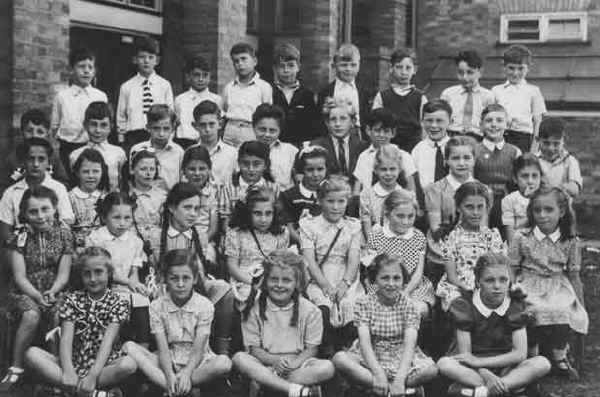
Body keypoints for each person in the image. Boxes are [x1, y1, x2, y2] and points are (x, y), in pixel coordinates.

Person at [24, 247, 137, 397]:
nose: (93, 279)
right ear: (81, 275)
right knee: (31, 354)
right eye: (87, 273)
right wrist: (68, 370)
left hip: (103, 364)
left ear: (109, 273)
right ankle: (94, 394)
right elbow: (66, 339)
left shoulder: (118, 303)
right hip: (73, 361)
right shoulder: (72, 299)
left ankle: (64, 390)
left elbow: (107, 343)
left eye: (98, 272)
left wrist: (92, 376)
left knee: (129, 364)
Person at [437, 252, 551, 397]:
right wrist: (483, 371)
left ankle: (485, 391)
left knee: (542, 363)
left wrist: (480, 362)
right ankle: (508, 387)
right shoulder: (464, 305)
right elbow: (466, 356)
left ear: (510, 281)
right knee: (444, 364)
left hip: (506, 364)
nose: (497, 286)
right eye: (489, 280)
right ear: (478, 282)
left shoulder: (515, 305)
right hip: (473, 369)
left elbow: (519, 354)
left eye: (503, 280)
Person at [124, 249, 232, 396]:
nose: (180, 284)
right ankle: (175, 386)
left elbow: (199, 348)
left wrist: (187, 373)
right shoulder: (157, 306)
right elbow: (162, 348)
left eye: (186, 278)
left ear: (194, 279)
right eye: (174, 278)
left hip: (198, 362)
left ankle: (177, 387)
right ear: (165, 279)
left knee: (224, 363)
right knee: (129, 347)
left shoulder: (205, 305)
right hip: (169, 359)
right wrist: (169, 376)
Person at [508, 187, 588, 377]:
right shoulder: (522, 236)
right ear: (531, 212)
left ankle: (559, 354)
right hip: (528, 282)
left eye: (548, 210)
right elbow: (511, 266)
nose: (542, 215)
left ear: (561, 212)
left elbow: (574, 274)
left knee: (564, 309)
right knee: (531, 309)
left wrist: (580, 302)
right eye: (537, 210)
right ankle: (532, 353)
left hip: (557, 284)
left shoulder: (570, 240)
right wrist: (512, 287)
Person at [333, 253, 438, 397]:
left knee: (432, 370)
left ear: (403, 280)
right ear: (375, 279)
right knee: (339, 359)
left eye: (396, 278)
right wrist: (378, 374)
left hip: (400, 355)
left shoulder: (410, 305)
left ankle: (391, 386)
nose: (391, 284)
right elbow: (365, 342)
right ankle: (387, 387)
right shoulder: (364, 302)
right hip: (371, 353)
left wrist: (400, 379)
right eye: (384, 278)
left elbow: (409, 345)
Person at [233, 250, 335, 397]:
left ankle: (268, 385)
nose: (279, 285)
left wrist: (293, 364)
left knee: (327, 367)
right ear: (266, 280)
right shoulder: (253, 309)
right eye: (274, 279)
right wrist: (275, 361)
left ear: (297, 283)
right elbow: (254, 349)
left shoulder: (311, 310)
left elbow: (312, 349)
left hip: (298, 364)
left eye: (286, 280)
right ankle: (296, 390)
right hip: (266, 363)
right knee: (239, 358)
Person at [0, 186, 73, 390]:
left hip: (55, 289)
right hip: (25, 290)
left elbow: (64, 273)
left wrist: (53, 291)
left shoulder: (65, 235)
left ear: (55, 208)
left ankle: (56, 368)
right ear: (24, 213)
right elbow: (19, 276)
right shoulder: (19, 237)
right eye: (33, 211)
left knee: (61, 312)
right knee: (31, 314)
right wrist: (37, 295)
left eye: (45, 209)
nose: (40, 216)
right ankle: (16, 367)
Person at [157, 182, 234, 355]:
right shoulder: (157, 236)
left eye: (197, 208)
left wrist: (202, 281)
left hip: (195, 284)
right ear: (171, 207)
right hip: (167, 286)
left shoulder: (198, 235)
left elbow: (200, 269)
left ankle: (222, 349)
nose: (193, 214)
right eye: (187, 207)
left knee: (224, 289)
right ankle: (171, 349)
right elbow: (156, 271)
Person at [300, 175, 363, 353]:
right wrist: (325, 285)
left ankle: (348, 350)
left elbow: (353, 258)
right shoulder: (309, 225)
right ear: (320, 201)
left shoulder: (353, 226)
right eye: (330, 201)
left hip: (345, 275)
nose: (336, 207)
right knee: (323, 309)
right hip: (319, 276)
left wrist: (345, 283)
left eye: (341, 201)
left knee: (350, 306)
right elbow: (309, 260)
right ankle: (327, 351)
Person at [86, 192, 151, 345]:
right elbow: (102, 269)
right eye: (116, 218)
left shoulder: (135, 241)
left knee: (142, 300)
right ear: (104, 217)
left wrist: (135, 284)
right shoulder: (96, 238)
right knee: (115, 305)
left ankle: (143, 349)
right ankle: (113, 348)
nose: (122, 223)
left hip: (127, 286)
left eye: (127, 218)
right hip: (103, 287)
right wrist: (128, 282)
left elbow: (135, 268)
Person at [436, 181, 504, 311]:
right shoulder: (451, 237)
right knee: (462, 307)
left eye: (480, 207)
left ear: (487, 208)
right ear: (458, 207)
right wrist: (468, 290)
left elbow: (497, 269)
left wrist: (483, 289)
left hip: (488, 284)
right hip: (459, 287)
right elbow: (452, 276)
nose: (475, 212)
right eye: (469, 207)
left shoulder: (492, 236)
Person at [367, 191, 435, 317]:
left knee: (417, 309)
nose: (405, 221)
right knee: (382, 310)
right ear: (388, 214)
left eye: (410, 216)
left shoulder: (418, 237)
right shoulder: (376, 236)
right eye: (400, 216)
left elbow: (418, 273)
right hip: (384, 285)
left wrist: (405, 292)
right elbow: (373, 272)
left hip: (412, 287)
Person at [423, 136, 480, 284]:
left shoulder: (482, 189)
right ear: (446, 160)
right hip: (443, 245)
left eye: (467, 158)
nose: (461, 163)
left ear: (474, 160)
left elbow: (482, 226)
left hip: (473, 245)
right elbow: (436, 229)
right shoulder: (435, 190)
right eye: (455, 158)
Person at [225, 186, 289, 307]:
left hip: (272, 278)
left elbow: (281, 264)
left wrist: (269, 282)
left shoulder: (281, 232)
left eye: (268, 213)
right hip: (244, 279)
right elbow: (232, 266)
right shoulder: (236, 233)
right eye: (257, 213)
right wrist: (254, 283)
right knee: (255, 299)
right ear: (248, 213)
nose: (263, 219)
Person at [0, 138, 74, 242]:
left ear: (49, 162)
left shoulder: (58, 188)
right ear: (23, 162)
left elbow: (66, 223)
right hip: (20, 246)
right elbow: (5, 232)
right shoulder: (11, 193)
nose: (36, 164)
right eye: (31, 159)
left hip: (54, 244)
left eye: (41, 159)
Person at [50, 48, 108, 170]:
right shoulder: (62, 96)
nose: (86, 71)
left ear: (95, 71)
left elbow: (104, 124)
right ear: (71, 70)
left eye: (90, 67)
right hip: (67, 148)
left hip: (93, 147)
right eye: (81, 66)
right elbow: (55, 126)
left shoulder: (100, 96)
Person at [117, 36, 174, 153]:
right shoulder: (127, 87)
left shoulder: (164, 85)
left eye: (150, 57)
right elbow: (121, 117)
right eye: (142, 57)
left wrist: (169, 137)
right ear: (135, 60)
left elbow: (170, 113)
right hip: (134, 136)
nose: (146, 61)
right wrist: (122, 140)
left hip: (158, 134)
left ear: (157, 61)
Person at [474, 104, 521, 232]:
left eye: (499, 121)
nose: (494, 125)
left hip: (506, 203)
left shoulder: (514, 151)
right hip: (480, 202)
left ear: (507, 124)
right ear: (481, 125)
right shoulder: (474, 151)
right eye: (489, 121)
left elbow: (518, 182)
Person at [492, 45, 546, 153]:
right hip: (500, 137)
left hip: (524, 139)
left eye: (521, 68)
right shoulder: (496, 90)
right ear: (504, 67)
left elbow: (537, 122)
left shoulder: (533, 91)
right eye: (511, 68)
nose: (515, 73)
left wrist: (534, 149)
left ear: (528, 68)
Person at [372, 48, 428, 152]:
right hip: (388, 146)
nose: (403, 72)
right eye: (399, 67)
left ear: (415, 70)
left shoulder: (420, 97)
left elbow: (425, 126)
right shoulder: (382, 96)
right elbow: (376, 123)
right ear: (391, 68)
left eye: (408, 68)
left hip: (414, 147)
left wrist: (423, 149)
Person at [1, 109, 69, 193]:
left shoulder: (53, 157)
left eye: (40, 132)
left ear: (47, 134)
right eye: (29, 131)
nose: (34, 135)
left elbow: (64, 183)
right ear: (22, 132)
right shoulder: (12, 158)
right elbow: (3, 186)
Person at [353, 108, 417, 194]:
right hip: (369, 203)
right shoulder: (364, 156)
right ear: (368, 130)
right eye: (377, 131)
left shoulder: (403, 156)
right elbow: (357, 188)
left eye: (386, 131)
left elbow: (411, 189)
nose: (382, 135)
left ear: (393, 133)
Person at [218, 141, 278, 231]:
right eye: (245, 164)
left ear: (265, 165)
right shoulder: (229, 188)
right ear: (239, 163)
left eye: (256, 164)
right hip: (236, 235)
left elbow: (277, 219)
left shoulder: (273, 187)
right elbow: (225, 221)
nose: (251, 169)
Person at [222, 42, 272, 147]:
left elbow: (267, 113)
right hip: (230, 131)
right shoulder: (229, 87)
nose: (240, 64)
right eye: (236, 61)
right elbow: (225, 109)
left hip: (251, 131)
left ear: (254, 61)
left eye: (244, 59)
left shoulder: (264, 87)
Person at [360, 144, 415, 239]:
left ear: (399, 170)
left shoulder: (406, 195)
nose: (388, 173)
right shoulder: (367, 195)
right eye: (383, 169)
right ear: (376, 170)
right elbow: (366, 224)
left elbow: (408, 225)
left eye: (392, 169)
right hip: (375, 241)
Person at [69, 101, 126, 191]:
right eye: (93, 124)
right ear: (85, 125)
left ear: (111, 126)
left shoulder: (118, 153)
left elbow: (122, 182)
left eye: (103, 125)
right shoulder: (75, 155)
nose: (98, 130)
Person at [271, 43, 320, 146]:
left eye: (291, 65)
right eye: (281, 66)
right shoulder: (269, 92)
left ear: (298, 67)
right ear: (275, 69)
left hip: (301, 145)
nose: (286, 70)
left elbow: (314, 126)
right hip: (276, 146)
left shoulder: (308, 95)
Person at [279, 145, 329, 246]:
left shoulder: (332, 193)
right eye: (310, 170)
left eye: (320, 169)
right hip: (300, 244)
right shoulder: (289, 195)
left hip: (327, 244)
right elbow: (289, 228)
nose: (315, 174)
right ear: (302, 170)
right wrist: (307, 245)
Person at [317, 43, 370, 138]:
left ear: (359, 65)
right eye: (344, 65)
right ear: (335, 65)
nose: (348, 69)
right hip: (333, 135)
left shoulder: (364, 91)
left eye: (353, 65)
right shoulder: (325, 92)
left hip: (358, 137)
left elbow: (367, 119)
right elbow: (318, 120)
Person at [441, 50, 495, 141]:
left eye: (470, 72)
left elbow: (490, 123)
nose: (465, 77)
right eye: (460, 73)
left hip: (477, 138)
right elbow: (441, 119)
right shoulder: (448, 94)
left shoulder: (488, 96)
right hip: (452, 137)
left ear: (480, 72)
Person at [311, 97, 368, 179]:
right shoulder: (317, 146)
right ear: (327, 123)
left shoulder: (363, 147)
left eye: (343, 119)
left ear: (353, 122)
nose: (337, 124)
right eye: (333, 119)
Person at [130, 104, 184, 190]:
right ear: (148, 127)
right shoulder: (137, 149)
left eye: (166, 129)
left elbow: (181, 181)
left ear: (173, 128)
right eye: (156, 128)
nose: (161, 134)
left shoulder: (178, 152)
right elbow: (131, 179)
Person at [174, 55, 223, 149]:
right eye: (197, 75)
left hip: (208, 143)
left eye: (205, 75)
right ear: (188, 76)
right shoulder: (180, 99)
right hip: (185, 143)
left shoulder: (217, 99)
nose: (201, 79)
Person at [121, 149, 166, 249]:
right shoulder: (125, 195)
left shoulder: (162, 196)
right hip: (131, 243)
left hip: (156, 244)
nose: (148, 173)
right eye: (143, 169)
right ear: (132, 170)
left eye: (152, 169)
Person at [181, 146, 220, 263]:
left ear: (209, 169)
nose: (197, 173)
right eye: (192, 169)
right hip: (182, 236)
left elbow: (213, 226)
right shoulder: (179, 191)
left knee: (206, 259)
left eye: (202, 169)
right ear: (184, 170)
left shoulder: (213, 193)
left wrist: (203, 241)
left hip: (205, 239)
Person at [189, 100, 238, 185]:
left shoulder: (232, 153)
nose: (207, 129)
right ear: (195, 126)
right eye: (202, 125)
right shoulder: (190, 152)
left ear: (220, 124)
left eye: (211, 124)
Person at [68, 149, 109, 248]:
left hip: (102, 246)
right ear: (77, 173)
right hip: (76, 246)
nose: (91, 176)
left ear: (102, 172)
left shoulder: (106, 197)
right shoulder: (70, 197)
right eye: (86, 172)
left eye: (95, 171)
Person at [253, 103, 298, 190]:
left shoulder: (291, 151)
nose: (267, 134)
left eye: (272, 131)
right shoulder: (245, 150)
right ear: (254, 127)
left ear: (280, 131)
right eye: (262, 129)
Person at [535, 117, 582, 197]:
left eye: (556, 144)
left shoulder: (570, 161)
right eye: (546, 143)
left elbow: (575, 189)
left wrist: (553, 187)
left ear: (564, 141)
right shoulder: (533, 160)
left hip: (561, 207)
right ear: (537, 140)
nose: (551, 148)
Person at [411, 99, 452, 189]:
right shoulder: (417, 150)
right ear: (422, 122)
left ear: (450, 122)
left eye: (439, 121)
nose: (433, 125)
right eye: (429, 120)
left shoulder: (455, 147)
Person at [501, 154, 542, 242]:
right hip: (519, 244)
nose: (530, 181)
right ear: (515, 178)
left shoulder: (545, 197)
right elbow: (510, 234)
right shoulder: (509, 200)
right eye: (525, 176)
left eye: (535, 176)